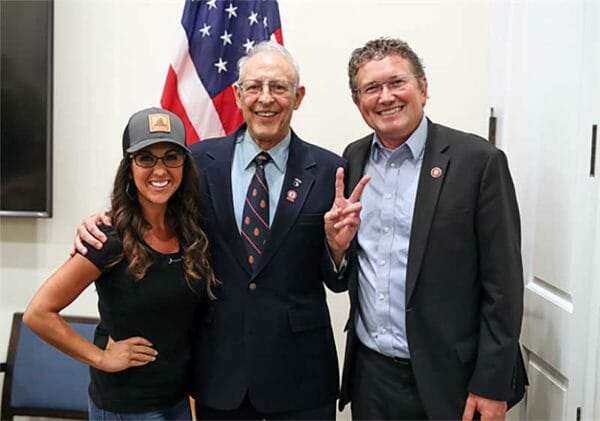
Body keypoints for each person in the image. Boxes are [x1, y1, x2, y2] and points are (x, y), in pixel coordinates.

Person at [74, 42, 369, 420]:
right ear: (237, 95)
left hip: (302, 375)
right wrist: (104, 220)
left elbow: (337, 281)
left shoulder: (331, 171)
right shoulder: (197, 163)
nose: (266, 98)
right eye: (254, 87)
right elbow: (152, 206)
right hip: (221, 373)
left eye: (279, 87)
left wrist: (337, 249)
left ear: (298, 97)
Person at [328, 38, 528, 420]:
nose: (386, 97)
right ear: (358, 103)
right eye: (371, 88)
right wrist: (335, 247)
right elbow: (346, 270)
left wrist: (492, 383)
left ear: (423, 88)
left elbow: (503, 284)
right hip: (372, 377)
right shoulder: (352, 159)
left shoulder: (478, 162)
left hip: (453, 378)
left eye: (397, 83)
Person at [25, 107, 217, 420]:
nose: (160, 170)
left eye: (171, 157)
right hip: (126, 408)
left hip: (179, 402)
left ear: (184, 165)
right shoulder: (109, 237)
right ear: (129, 167)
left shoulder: (192, 231)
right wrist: (100, 358)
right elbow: (39, 313)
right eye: (146, 158)